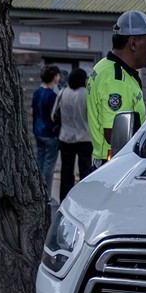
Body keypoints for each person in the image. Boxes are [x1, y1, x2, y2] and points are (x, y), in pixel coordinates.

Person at [87, 10, 146, 168]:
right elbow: (116, 136)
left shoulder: (104, 66)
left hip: (106, 163)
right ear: (133, 43)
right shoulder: (116, 80)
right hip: (114, 167)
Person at [54, 67, 92, 201]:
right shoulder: (87, 94)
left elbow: (54, 115)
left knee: (66, 171)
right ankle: (83, 199)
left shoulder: (62, 92)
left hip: (66, 137)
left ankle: (65, 200)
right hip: (85, 138)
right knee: (85, 171)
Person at [31, 64, 61, 194]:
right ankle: (46, 194)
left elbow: (32, 111)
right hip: (50, 133)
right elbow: (54, 116)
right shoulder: (52, 95)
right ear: (54, 77)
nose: (59, 77)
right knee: (49, 165)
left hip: (38, 131)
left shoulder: (37, 92)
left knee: (39, 161)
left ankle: (36, 190)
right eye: (58, 75)